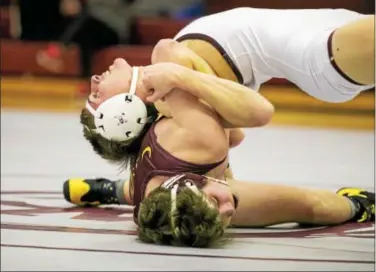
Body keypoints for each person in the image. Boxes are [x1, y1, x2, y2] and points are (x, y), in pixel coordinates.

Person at [64, 59, 374, 247]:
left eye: (218, 204)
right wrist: (351, 207)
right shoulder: (164, 199)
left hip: (174, 165)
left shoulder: (191, 139)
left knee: (311, 204)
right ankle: (358, 207)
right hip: (167, 178)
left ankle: (110, 189)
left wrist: (182, 75)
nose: (230, 211)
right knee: (314, 207)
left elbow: (256, 115)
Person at [152, 7, 374, 103]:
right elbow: (257, 114)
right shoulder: (171, 70)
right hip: (320, 53)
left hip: (331, 36)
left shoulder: (168, 64)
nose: (116, 64)